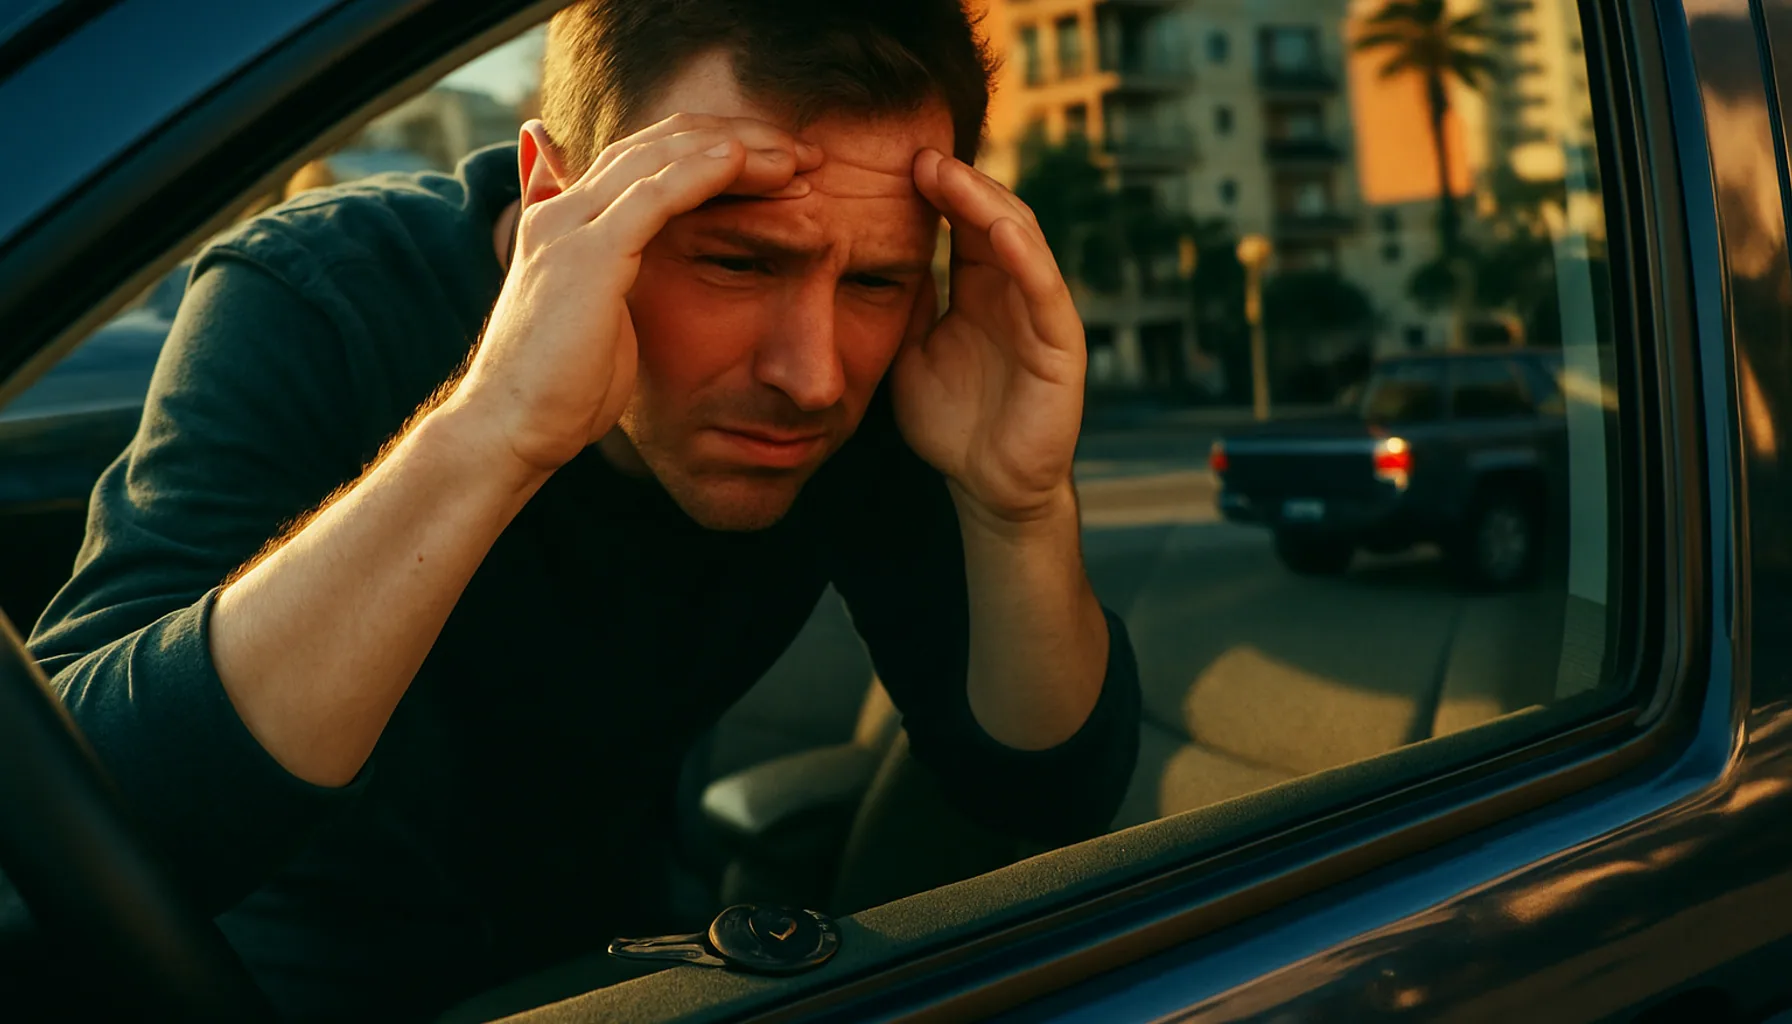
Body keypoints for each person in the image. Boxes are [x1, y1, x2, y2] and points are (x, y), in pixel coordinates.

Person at [28, 1, 1141, 1019]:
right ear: (557, 199)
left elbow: (1038, 786)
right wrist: (496, 426)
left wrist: (1017, 507)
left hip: (623, 968)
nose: (812, 373)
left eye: (876, 280)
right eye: (737, 260)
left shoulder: (887, 381)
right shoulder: (318, 295)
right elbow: (76, 830)